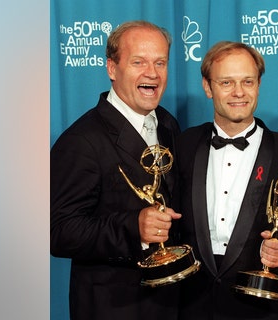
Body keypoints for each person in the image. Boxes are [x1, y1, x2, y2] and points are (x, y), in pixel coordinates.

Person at [174, 41, 278, 320]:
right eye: (226, 82)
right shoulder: (182, 146)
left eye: (247, 81)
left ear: (259, 84)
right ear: (207, 86)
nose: (238, 92)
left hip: (260, 310)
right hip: (192, 308)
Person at [51, 21, 182, 320]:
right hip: (114, 306)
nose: (152, 73)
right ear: (112, 68)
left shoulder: (167, 123)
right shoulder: (80, 141)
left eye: (160, 62)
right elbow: (57, 232)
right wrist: (132, 227)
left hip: (170, 302)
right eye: (139, 62)